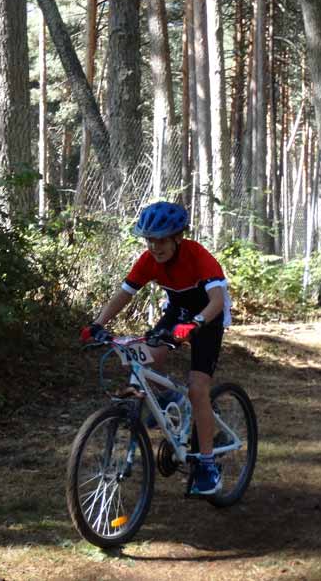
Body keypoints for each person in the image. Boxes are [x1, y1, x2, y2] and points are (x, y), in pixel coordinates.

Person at [80, 201, 232, 495]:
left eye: (161, 240)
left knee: (197, 388)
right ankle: (172, 400)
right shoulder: (148, 260)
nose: (154, 246)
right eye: (149, 239)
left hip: (208, 317)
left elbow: (216, 300)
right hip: (177, 313)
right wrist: (97, 324)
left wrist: (194, 325)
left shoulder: (198, 255)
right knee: (144, 361)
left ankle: (207, 465)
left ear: (177, 237)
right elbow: (124, 294)